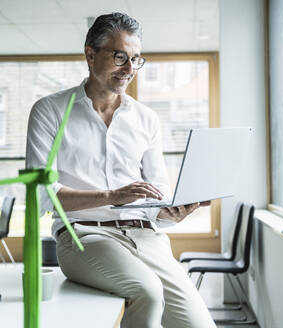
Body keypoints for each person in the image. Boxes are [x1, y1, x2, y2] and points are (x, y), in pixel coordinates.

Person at [26, 12, 216, 328]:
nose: (129, 69)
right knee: (148, 292)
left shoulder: (146, 119)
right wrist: (112, 195)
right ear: (90, 54)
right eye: (119, 57)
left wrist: (171, 212)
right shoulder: (50, 110)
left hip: (146, 237)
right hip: (84, 235)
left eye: (135, 59)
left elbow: (157, 196)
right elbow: (42, 196)